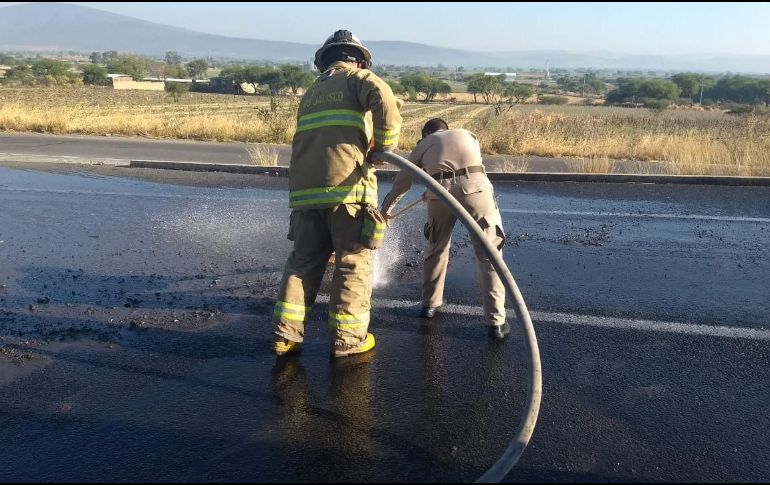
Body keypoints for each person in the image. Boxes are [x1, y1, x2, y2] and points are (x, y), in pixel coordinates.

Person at [272, 30, 402, 357]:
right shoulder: (358, 78)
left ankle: (285, 336)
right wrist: (383, 148)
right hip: (346, 190)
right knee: (352, 264)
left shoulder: (312, 92)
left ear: (324, 62)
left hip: (304, 195)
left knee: (302, 263)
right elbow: (384, 99)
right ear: (358, 59)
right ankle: (348, 341)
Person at [380, 118, 509, 339]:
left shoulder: (424, 144)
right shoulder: (468, 134)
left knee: (437, 248)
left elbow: (403, 181)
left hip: (439, 194)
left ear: (426, 134)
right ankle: (495, 322)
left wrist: (386, 210)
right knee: (489, 255)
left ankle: (430, 305)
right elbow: (468, 169)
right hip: (477, 191)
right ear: (446, 129)